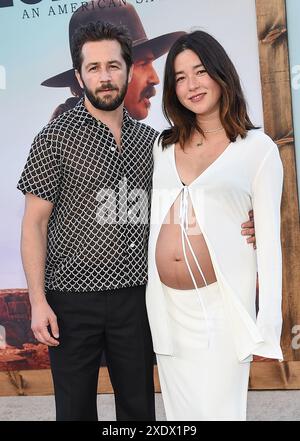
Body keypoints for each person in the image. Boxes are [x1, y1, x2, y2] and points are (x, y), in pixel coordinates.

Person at [17, 22, 256, 421]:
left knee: (139, 409)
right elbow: (34, 225)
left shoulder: (156, 143)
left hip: (138, 298)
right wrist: (38, 301)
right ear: (79, 77)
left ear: (127, 70)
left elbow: (201, 192)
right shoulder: (54, 137)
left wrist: (247, 218)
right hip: (72, 299)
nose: (105, 76)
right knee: (74, 411)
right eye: (93, 68)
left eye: (113, 65)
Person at [146, 31, 284, 421]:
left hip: (221, 313)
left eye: (200, 71)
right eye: (180, 77)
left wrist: (267, 324)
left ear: (221, 74)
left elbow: (270, 244)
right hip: (168, 312)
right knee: (179, 417)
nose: (192, 85)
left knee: (220, 412)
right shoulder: (164, 146)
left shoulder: (258, 150)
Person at [42, 1, 185, 121]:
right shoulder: (56, 143)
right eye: (143, 64)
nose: (155, 79)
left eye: (150, 63)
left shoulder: (146, 142)